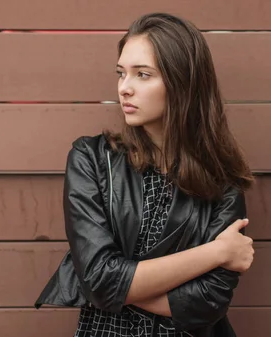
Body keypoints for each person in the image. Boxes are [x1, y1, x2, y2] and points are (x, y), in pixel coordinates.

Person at [35, 12, 255, 337]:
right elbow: (100, 280)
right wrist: (217, 252)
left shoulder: (221, 181)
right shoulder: (92, 159)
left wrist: (122, 284)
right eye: (121, 73)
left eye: (142, 75)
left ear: (182, 83)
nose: (124, 88)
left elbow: (208, 302)